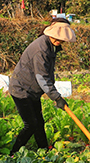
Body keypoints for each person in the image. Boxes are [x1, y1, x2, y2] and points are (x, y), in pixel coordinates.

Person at [8, 17, 75, 155]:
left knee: (39, 122)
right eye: (57, 37)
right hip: (21, 89)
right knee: (31, 124)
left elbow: (47, 73)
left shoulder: (51, 46)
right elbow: (42, 77)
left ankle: (44, 150)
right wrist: (57, 98)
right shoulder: (41, 49)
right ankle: (13, 153)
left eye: (61, 38)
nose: (59, 40)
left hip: (32, 90)